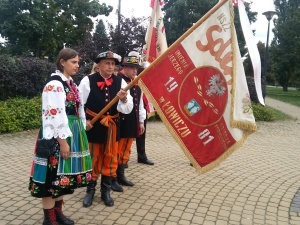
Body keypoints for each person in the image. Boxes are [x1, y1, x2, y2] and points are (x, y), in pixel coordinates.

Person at [29, 48, 92, 225]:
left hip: (70, 134)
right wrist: (62, 142)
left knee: (62, 178)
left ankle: (58, 213)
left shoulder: (70, 82)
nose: (77, 65)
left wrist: (82, 123)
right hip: (56, 137)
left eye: (78, 62)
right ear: (62, 62)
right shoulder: (54, 84)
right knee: (51, 177)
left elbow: (77, 109)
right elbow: (53, 114)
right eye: (73, 62)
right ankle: (49, 219)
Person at [78, 51, 133, 207]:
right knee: (93, 160)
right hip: (94, 126)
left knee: (110, 160)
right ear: (99, 65)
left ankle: (105, 192)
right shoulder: (87, 81)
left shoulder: (121, 82)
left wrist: (123, 99)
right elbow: (79, 104)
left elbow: (128, 108)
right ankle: (90, 191)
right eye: (107, 63)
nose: (110, 66)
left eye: (113, 64)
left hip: (112, 128)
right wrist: (84, 122)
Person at [115, 53, 146, 188]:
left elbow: (140, 104)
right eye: (132, 68)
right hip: (120, 122)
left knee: (126, 149)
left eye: (136, 68)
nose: (135, 71)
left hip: (132, 122)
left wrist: (141, 121)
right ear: (125, 68)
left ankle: (121, 175)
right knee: (117, 150)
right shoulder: (118, 81)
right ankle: (113, 177)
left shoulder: (136, 83)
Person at [135, 62, 154, 166]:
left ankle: (141, 156)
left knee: (141, 133)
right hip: (130, 110)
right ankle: (123, 160)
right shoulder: (133, 78)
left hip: (142, 108)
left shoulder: (146, 79)